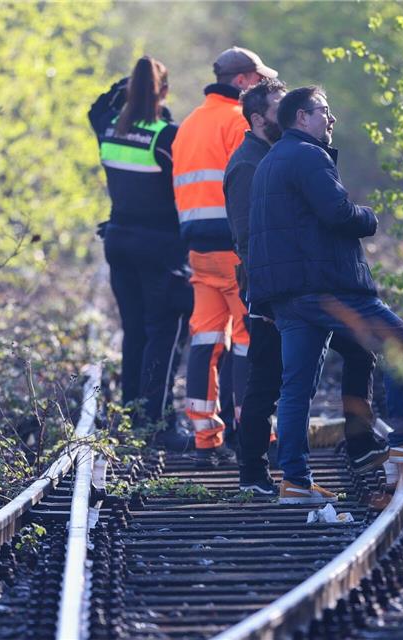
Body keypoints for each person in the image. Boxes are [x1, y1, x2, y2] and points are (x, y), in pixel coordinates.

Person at [249, 86, 403, 505]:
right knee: (401, 339)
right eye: (324, 111)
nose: (331, 119)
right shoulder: (309, 156)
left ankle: (295, 481)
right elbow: (338, 213)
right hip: (325, 285)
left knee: (296, 389)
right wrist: (369, 217)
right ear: (301, 117)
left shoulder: (269, 162)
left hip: (287, 295)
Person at [224, 79, 388, 495]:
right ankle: (254, 473)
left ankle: (359, 443)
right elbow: (247, 237)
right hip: (270, 290)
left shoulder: (284, 155)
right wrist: (261, 297)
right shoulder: (247, 165)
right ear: (259, 118)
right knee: (268, 379)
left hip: (303, 285)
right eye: (277, 108)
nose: (285, 114)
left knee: (358, 350)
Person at [172, 47, 278, 467]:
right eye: (259, 80)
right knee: (251, 339)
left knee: (205, 340)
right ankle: (253, 434)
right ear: (242, 81)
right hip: (234, 249)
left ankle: (205, 437)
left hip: (198, 250)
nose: (264, 89)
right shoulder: (238, 121)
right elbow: (251, 183)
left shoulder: (189, 124)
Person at [89, 56, 194, 452]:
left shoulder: (109, 129)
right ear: (164, 91)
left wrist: (125, 86)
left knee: (134, 330)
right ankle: (157, 423)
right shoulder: (167, 136)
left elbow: (96, 108)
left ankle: (133, 415)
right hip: (161, 247)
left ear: (130, 90)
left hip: (118, 241)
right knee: (164, 332)